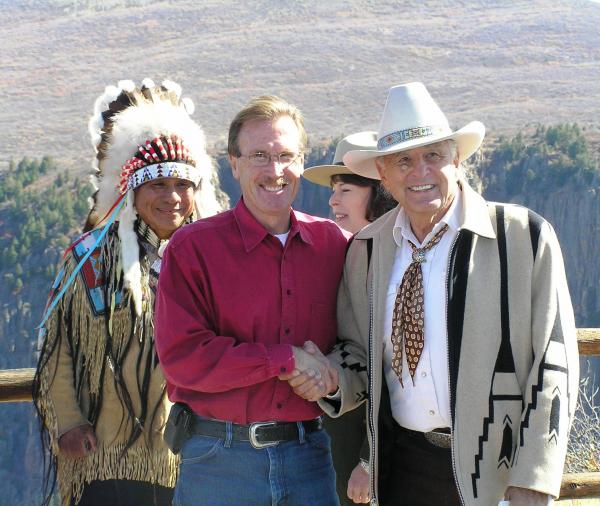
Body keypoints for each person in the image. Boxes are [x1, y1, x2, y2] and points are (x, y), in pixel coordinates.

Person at [306, 82, 579, 505]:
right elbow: (357, 351)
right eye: (403, 161)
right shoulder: (369, 249)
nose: (420, 172)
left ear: (456, 159)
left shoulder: (522, 237)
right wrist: (328, 376)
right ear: (382, 173)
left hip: (497, 472)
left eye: (433, 155)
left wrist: (533, 479)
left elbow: (554, 360)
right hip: (403, 470)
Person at [33, 78, 223, 506]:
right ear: (133, 189)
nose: (171, 197)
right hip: (108, 457)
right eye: (157, 184)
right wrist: (67, 422)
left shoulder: (219, 257)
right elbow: (56, 347)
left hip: (201, 455)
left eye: (181, 184)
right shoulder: (89, 260)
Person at [154, 95, 348, 506]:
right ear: (234, 163)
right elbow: (185, 358)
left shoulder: (334, 245)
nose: (274, 170)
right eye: (259, 155)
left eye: (286, 156)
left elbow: (359, 341)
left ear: (301, 163)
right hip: (219, 462)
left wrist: (331, 372)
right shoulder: (193, 248)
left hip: (309, 458)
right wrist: (287, 359)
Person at [303, 131, 396, 505]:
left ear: (378, 190)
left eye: (346, 189)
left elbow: (400, 372)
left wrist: (371, 460)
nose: (332, 199)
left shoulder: (399, 257)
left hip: (381, 450)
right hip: (343, 438)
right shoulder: (359, 250)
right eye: (333, 188)